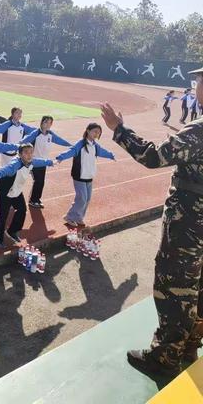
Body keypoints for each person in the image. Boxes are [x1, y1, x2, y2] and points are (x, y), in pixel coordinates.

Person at [100, 67, 203, 377]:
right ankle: (189, 344)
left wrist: (119, 129)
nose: (196, 87)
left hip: (189, 224)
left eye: (199, 82)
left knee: (174, 287)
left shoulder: (198, 133)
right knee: (198, 286)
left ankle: (165, 356)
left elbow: (153, 157)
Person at [0, 143, 53, 248]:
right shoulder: (15, 164)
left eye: (31, 152)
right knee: (3, 216)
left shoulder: (31, 162)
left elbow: (41, 162)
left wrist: (51, 162)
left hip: (17, 190)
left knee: (22, 210)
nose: (29, 155)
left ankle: (12, 231)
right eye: (26, 153)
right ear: (20, 155)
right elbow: (5, 170)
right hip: (5, 191)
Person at [56, 123, 115, 228]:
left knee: (87, 199)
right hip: (79, 176)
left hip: (89, 176)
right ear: (88, 131)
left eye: (98, 132)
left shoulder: (95, 145)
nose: (97, 134)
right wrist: (60, 157)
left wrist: (110, 155)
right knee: (82, 198)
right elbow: (71, 151)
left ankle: (79, 217)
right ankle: (69, 216)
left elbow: (102, 152)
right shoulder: (81, 144)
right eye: (95, 131)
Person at [20, 116, 72, 208]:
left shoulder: (50, 134)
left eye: (50, 123)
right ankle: (33, 200)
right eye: (46, 122)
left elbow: (60, 140)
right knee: (38, 180)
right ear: (42, 123)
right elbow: (23, 141)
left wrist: (71, 145)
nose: (48, 125)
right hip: (34, 161)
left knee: (41, 181)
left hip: (44, 162)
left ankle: (36, 199)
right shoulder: (36, 133)